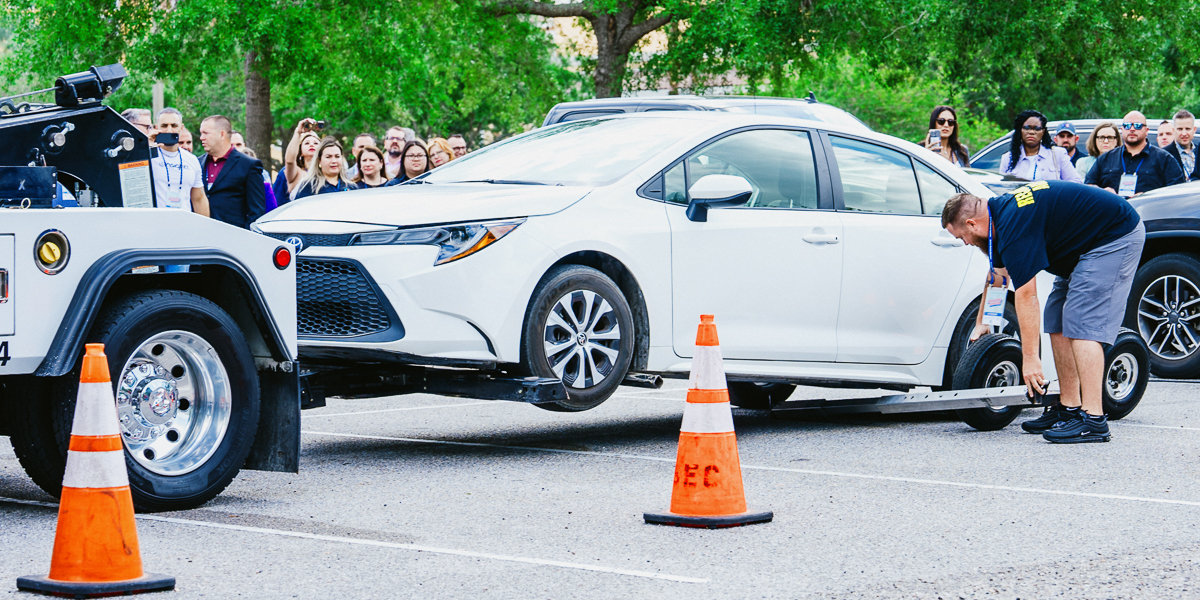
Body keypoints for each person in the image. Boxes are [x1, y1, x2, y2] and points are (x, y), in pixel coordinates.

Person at [942, 181, 1145, 443]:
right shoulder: (998, 221)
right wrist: (983, 322)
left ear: (972, 224)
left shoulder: (1014, 225)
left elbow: (1027, 295)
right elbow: (998, 278)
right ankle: (1069, 409)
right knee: (1057, 317)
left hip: (1114, 237)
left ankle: (1094, 420)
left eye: (961, 237)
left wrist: (1030, 359)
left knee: (1081, 321)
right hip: (1083, 247)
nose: (966, 243)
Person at [1085, 110, 1185, 197]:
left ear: (1146, 131)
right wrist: (1103, 192)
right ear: (1122, 130)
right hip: (1113, 215)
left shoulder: (1164, 159)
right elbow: (1088, 186)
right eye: (1127, 125)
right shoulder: (1106, 158)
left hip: (1150, 215)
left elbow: (1176, 192)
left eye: (1138, 125)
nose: (1132, 129)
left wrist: (1147, 196)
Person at [198, 114, 266, 228]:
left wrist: (245, 237)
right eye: (201, 133)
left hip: (233, 237)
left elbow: (257, 211)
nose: (201, 137)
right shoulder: (197, 163)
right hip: (200, 234)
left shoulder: (249, 165)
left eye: (206, 133)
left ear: (222, 134)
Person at [150, 108, 209, 216]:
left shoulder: (191, 160)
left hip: (184, 225)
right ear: (156, 128)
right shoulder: (147, 156)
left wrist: (205, 229)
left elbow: (199, 199)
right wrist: (146, 146)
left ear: (181, 128)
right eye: (164, 126)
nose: (169, 130)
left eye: (174, 125)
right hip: (155, 223)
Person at [999, 110, 1082, 182]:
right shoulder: (1008, 158)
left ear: (1043, 132)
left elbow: (1076, 181)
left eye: (1037, 128)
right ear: (1020, 131)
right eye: (1027, 128)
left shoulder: (1057, 154)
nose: (1031, 132)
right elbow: (1002, 189)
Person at [293, 139, 358, 200]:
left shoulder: (352, 187)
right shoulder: (309, 186)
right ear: (319, 160)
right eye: (328, 157)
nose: (334, 161)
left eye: (337, 156)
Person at [281, 120, 322, 203]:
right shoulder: (297, 173)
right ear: (300, 152)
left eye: (316, 143)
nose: (311, 145)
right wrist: (298, 132)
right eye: (307, 143)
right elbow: (289, 161)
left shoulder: (326, 173)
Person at [1165, 109, 1200, 181]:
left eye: (1187, 129)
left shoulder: (1198, 150)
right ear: (1173, 130)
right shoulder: (1165, 154)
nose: (1184, 133)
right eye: (1180, 129)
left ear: (1194, 130)